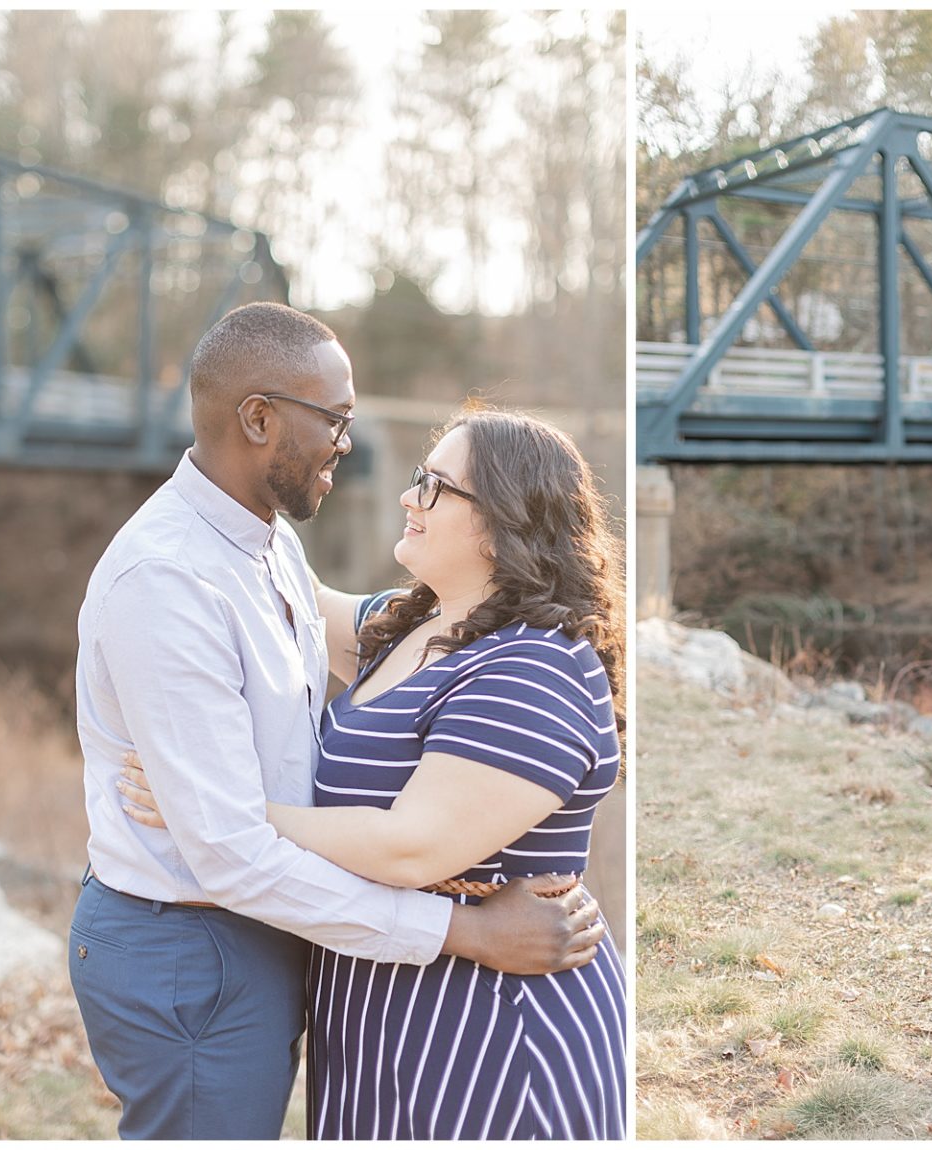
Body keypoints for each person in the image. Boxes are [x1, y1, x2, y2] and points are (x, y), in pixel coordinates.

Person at [70, 303, 603, 1140]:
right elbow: (231, 851)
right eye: (337, 419)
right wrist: (461, 928)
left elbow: (403, 818)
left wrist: (228, 808)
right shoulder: (177, 580)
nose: (356, 450)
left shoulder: (272, 546)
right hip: (196, 939)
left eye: (434, 484)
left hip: (407, 995)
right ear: (259, 418)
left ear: (504, 521)